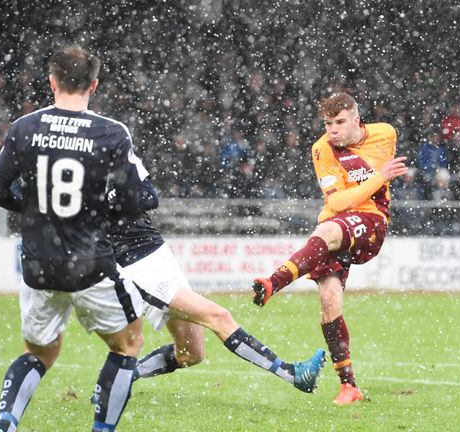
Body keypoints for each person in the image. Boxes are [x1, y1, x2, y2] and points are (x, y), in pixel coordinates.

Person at [0, 45, 146, 432]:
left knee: (41, 352)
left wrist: (35, 208)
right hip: (90, 264)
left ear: (52, 82)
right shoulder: (110, 132)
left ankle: (5, 425)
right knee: (128, 345)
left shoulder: (24, 127)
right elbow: (132, 202)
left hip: (39, 264)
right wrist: (96, 210)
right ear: (93, 84)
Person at [108, 155, 326, 392]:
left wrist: (110, 199)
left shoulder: (117, 145)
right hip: (134, 266)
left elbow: (150, 198)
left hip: (158, 252)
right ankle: (293, 374)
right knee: (218, 316)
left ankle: (120, 379)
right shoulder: (79, 168)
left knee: (191, 353)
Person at [251, 92, 408, 405]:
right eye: (327, 123)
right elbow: (336, 202)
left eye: (339, 122)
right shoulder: (322, 148)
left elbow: (347, 200)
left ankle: (275, 282)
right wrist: (377, 178)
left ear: (356, 119)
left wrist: (370, 185)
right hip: (335, 226)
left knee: (328, 228)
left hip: (371, 221)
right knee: (328, 299)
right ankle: (349, 386)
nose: (332, 130)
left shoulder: (385, 134)